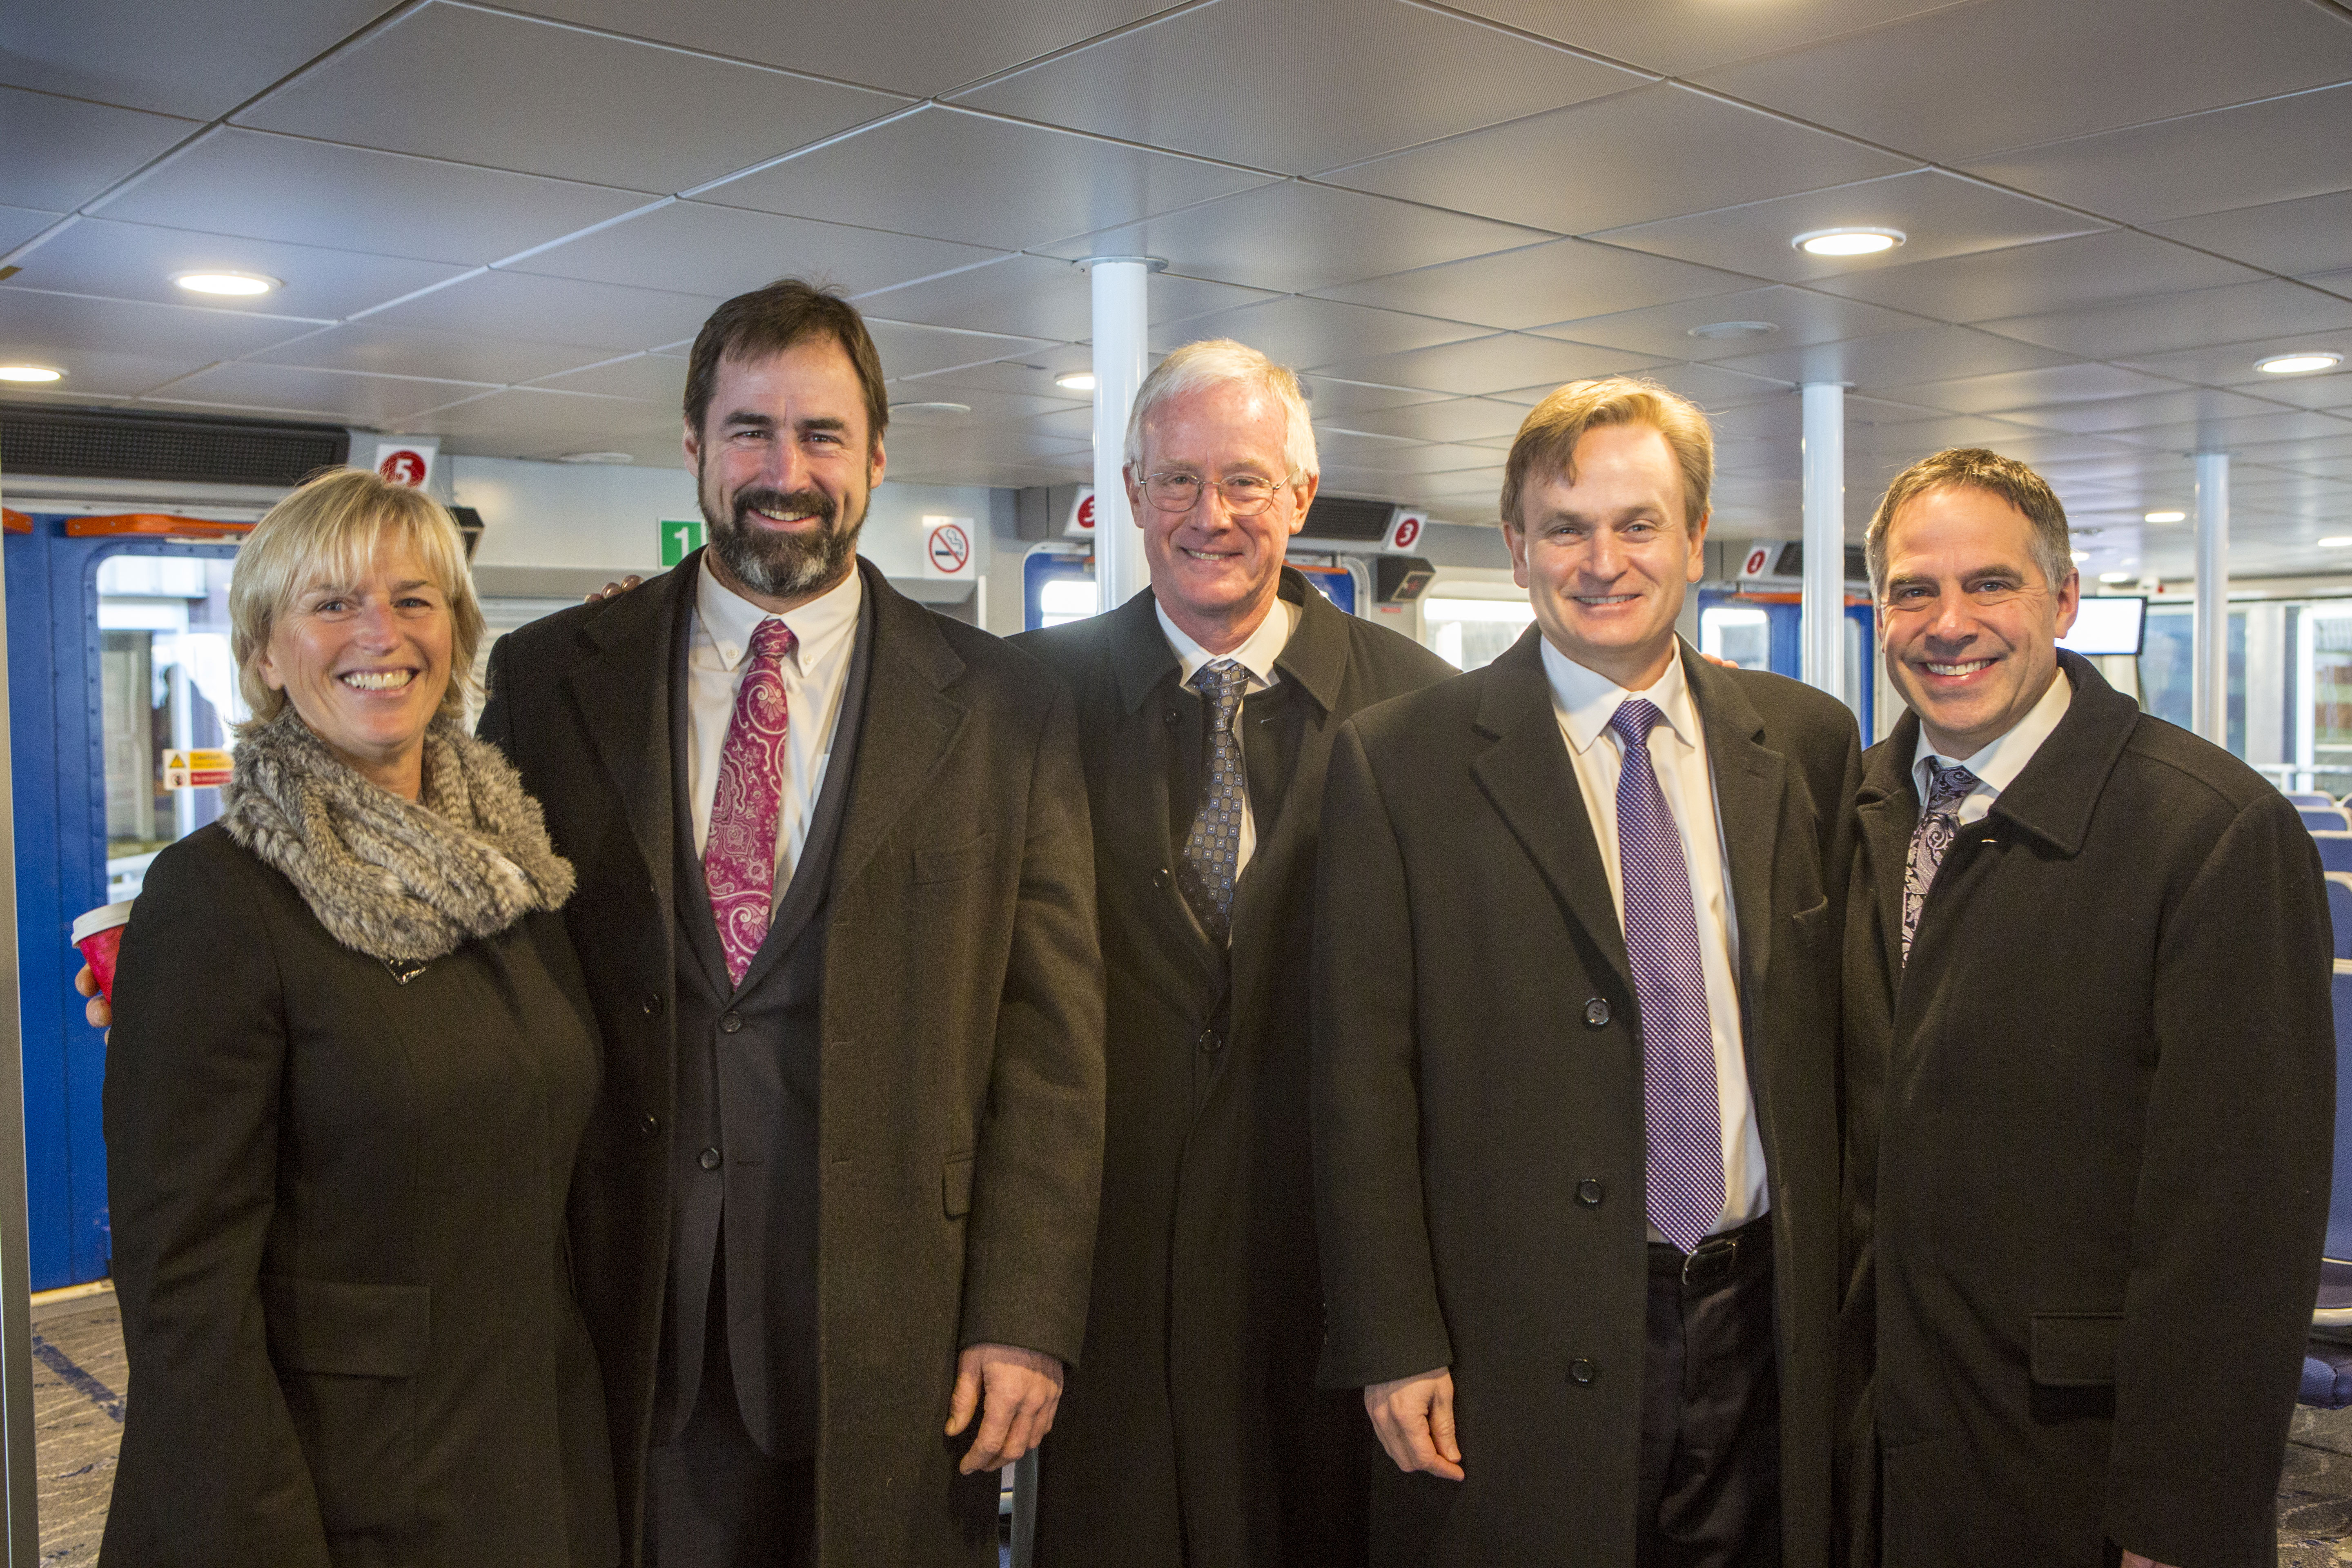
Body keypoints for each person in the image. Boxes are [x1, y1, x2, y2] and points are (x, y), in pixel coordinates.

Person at [477, 277, 1105, 1568]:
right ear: (695, 446)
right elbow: (490, 966)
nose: (786, 469)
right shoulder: (547, 681)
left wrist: (1025, 1312)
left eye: (821, 434)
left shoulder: (1004, 706)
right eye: (751, 430)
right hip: (627, 1308)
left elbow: (1051, 1047)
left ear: (876, 456)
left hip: (900, 1328)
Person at [1312, 376, 1858, 1566]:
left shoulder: (1806, 742)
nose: (1602, 559)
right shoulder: (1399, 764)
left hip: (1764, 1323)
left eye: (1637, 523)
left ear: (1695, 538)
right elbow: (1359, 1082)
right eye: (1565, 527)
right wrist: (1394, 1338)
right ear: (1516, 548)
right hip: (1516, 1327)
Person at [97, 467, 618, 1566]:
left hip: (533, 1456)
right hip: (340, 1497)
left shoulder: (517, 874)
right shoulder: (218, 897)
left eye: (415, 598)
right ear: (263, 656)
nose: (380, 631)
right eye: (331, 603)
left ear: (459, 636)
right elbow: (183, 1289)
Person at [1837, 448, 2332, 1568]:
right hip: (1878, 1440)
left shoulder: (2210, 834)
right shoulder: (1858, 809)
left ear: (2062, 599)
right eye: (1914, 590)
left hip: (2077, 1462)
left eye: (1991, 584)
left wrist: (2183, 1520)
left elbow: (2238, 1226)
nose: (1949, 622)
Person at [1013, 339, 1454, 1568]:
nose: (1211, 517)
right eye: (1177, 482)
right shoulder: (1027, 702)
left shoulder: (1419, 716)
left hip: (1332, 1295)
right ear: (1129, 487)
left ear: (1303, 497)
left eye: (1247, 482)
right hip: (1098, 1303)